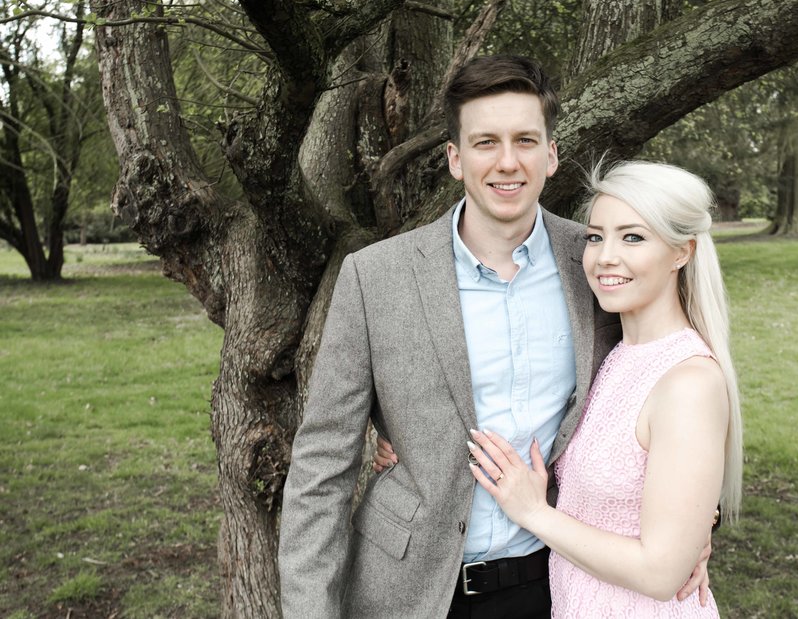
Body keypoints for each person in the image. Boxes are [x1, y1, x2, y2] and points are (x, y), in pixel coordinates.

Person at [278, 55, 709, 619]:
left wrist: (696, 525)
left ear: (551, 154)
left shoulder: (601, 263)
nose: (508, 162)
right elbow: (321, 466)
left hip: (555, 580)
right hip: (408, 588)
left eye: (526, 140)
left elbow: (671, 388)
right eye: (486, 143)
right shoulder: (374, 277)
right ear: (455, 158)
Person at [465, 161, 743, 617]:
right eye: (595, 237)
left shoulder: (688, 382)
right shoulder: (609, 356)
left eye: (632, 237)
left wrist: (534, 513)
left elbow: (660, 574)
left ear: (682, 252)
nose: (604, 256)